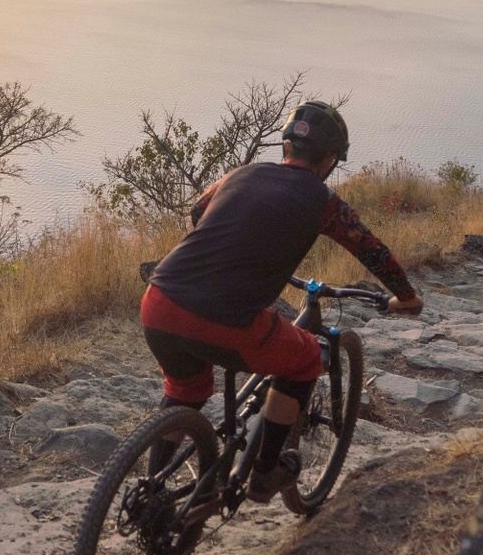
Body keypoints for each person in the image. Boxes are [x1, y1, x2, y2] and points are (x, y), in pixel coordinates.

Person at [141, 100, 423, 503]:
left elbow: (198, 210)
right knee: (307, 359)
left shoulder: (238, 174)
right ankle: (265, 473)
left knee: (186, 389)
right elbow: (372, 251)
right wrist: (407, 298)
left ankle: (153, 489)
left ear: (286, 147)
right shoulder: (324, 201)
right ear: (329, 160)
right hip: (222, 319)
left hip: (159, 300)